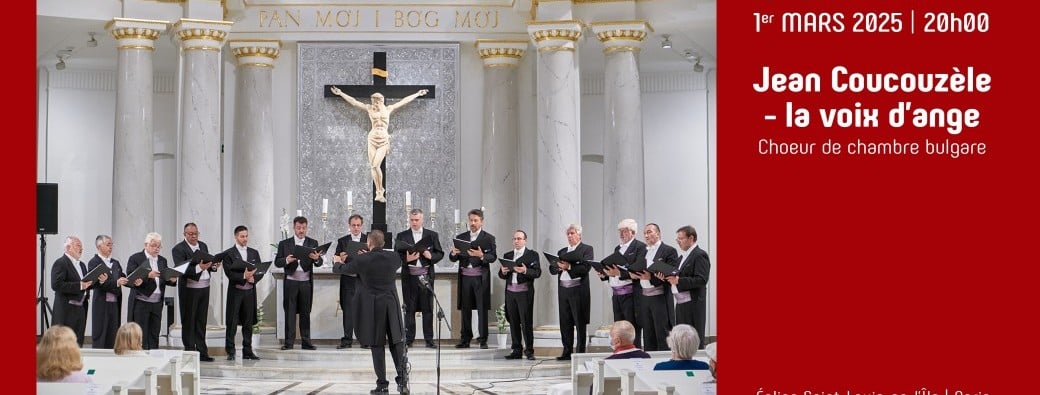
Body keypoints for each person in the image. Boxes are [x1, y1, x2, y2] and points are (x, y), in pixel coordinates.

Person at [328, 85, 428, 202]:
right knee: (373, 166)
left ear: (381, 100)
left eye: (376, 101)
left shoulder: (389, 109)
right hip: (372, 138)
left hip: (384, 139)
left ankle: (381, 190)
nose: (374, 103)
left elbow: (403, 101)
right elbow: (354, 102)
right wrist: (340, 93)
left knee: (376, 165)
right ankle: (379, 192)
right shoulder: (369, 108)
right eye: (373, 101)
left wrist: (417, 94)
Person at [341, 230, 410, 395]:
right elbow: (383, 259)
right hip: (391, 305)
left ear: (369, 243)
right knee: (396, 343)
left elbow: (344, 269)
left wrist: (338, 261)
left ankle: (382, 385)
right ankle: (402, 383)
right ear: (383, 243)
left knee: (377, 345)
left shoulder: (362, 259)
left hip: (374, 307)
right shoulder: (394, 258)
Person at [395, 209, 445, 349]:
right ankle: (409, 339)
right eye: (412, 220)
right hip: (409, 277)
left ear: (422, 220)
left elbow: (440, 253)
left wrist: (431, 257)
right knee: (409, 309)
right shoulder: (402, 236)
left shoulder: (432, 235)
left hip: (426, 277)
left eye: (417, 220)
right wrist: (407, 259)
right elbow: (396, 256)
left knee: (427, 309)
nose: (414, 222)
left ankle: (429, 339)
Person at [448, 209, 497, 349]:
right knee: (466, 308)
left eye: (476, 220)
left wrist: (481, 255)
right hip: (465, 278)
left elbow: (493, 257)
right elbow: (453, 258)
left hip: (480, 278)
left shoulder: (489, 238)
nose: (473, 223)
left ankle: (483, 340)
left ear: (481, 221)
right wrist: (453, 253)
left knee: (481, 309)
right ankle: (465, 339)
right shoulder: (461, 237)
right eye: (471, 220)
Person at [274, 216, 324, 350]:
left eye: (303, 228)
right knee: (290, 313)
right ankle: (289, 343)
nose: (301, 230)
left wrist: (316, 259)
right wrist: (286, 260)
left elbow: (319, 263)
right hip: (291, 282)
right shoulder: (284, 244)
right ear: (294, 228)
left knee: (305, 313)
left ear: (306, 228)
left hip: (306, 283)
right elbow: (277, 262)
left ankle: (306, 342)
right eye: (298, 228)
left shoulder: (313, 242)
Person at [171, 222, 218, 362]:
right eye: (190, 234)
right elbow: (181, 269)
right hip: (189, 289)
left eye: (196, 233)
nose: (193, 236)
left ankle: (203, 352)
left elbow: (207, 263)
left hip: (204, 288)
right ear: (184, 234)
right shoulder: (178, 249)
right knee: (189, 321)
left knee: (201, 321)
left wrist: (213, 266)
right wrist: (199, 267)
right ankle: (190, 352)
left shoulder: (202, 245)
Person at [597, 219, 647, 348]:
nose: (621, 234)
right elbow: (615, 270)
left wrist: (619, 273)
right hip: (617, 294)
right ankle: (620, 351)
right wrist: (606, 275)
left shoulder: (640, 247)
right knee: (618, 326)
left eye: (624, 231)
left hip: (631, 294)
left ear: (633, 232)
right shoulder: (617, 248)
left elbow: (637, 270)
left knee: (631, 326)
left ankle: (634, 352)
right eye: (620, 231)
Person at [126, 232, 178, 350]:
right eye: (154, 245)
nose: (157, 249)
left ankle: (154, 358)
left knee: (154, 333)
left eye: (159, 246)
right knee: (140, 333)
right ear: (146, 245)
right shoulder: (136, 258)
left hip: (157, 303)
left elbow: (164, 278)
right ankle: (140, 358)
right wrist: (147, 275)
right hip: (141, 302)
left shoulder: (162, 260)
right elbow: (130, 277)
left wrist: (172, 280)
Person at [549, 224, 593, 360]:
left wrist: (569, 267)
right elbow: (552, 269)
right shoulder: (562, 251)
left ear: (579, 235)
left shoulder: (586, 249)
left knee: (580, 322)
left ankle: (580, 352)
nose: (569, 236)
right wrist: (557, 267)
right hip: (563, 289)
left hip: (578, 289)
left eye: (572, 233)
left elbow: (586, 267)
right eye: (568, 234)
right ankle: (566, 351)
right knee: (565, 321)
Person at [51, 235, 106, 346]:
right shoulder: (60, 263)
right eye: (78, 245)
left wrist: (99, 281)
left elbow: (86, 285)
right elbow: (56, 285)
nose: (81, 248)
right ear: (67, 248)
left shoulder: (82, 265)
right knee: (63, 343)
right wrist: (79, 286)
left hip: (81, 309)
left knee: (78, 342)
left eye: (82, 246)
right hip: (66, 310)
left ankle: (75, 363)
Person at [631, 223, 678, 351]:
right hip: (644, 298)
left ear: (658, 233)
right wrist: (633, 273)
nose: (646, 235)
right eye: (645, 233)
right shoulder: (643, 252)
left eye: (649, 232)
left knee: (662, 332)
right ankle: (649, 363)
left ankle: (665, 363)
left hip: (660, 297)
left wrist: (650, 278)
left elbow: (671, 275)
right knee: (648, 333)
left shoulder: (669, 251)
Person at [663, 225, 711, 348]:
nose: (678, 242)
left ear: (691, 238)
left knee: (693, 338)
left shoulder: (700, 255)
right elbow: (676, 277)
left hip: (693, 304)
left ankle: (697, 364)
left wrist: (679, 280)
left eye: (681, 238)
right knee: (682, 338)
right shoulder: (681, 257)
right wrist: (664, 277)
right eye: (677, 239)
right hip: (681, 303)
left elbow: (701, 280)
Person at [221, 225, 263, 361]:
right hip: (236, 292)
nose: (245, 239)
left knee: (248, 323)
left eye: (246, 236)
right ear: (236, 237)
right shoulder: (228, 254)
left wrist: (253, 278)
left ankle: (247, 350)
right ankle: (231, 351)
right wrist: (244, 276)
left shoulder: (254, 252)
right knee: (232, 323)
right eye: (242, 236)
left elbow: (260, 270)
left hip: (250, 292)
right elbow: (229, 273)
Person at [498, 230, 541, 360]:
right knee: (513, 322)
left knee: (526, 322)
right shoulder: (508, 255)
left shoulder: (532, 255)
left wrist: (525, 270)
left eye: (519, 238)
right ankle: (516, 350)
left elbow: (537, 272)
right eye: (515, 239)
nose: (516, 241)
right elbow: (501, 275)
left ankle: (529, 351)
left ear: (525, 240)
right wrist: (503, 271)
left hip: (524, 293)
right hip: (511, 292)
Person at [333, 214, 367, 349]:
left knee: (364, 311)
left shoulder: (367, 239)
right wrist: (341, 258)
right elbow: (335, 260)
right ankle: (347, 340)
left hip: (363, 281)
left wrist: (366, 256)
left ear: (362, 226)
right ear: (349, 226)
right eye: (353, 225)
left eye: (358, 225)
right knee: (348, 311)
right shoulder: (342, 241)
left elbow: (375, 258)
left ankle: (365, 340)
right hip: (348, 280)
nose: (356, 228)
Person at [88, 234, 128, 349]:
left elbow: (122, 277)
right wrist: (115, 282)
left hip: (115, 303)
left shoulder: (115, 262)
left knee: (113, 333)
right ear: (99, 246)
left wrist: (133, 279)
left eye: (111, 244)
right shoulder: (94, 262)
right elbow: (96, 284)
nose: (111, 247)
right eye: (108, 244)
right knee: (100, 333)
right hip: (101, 303)